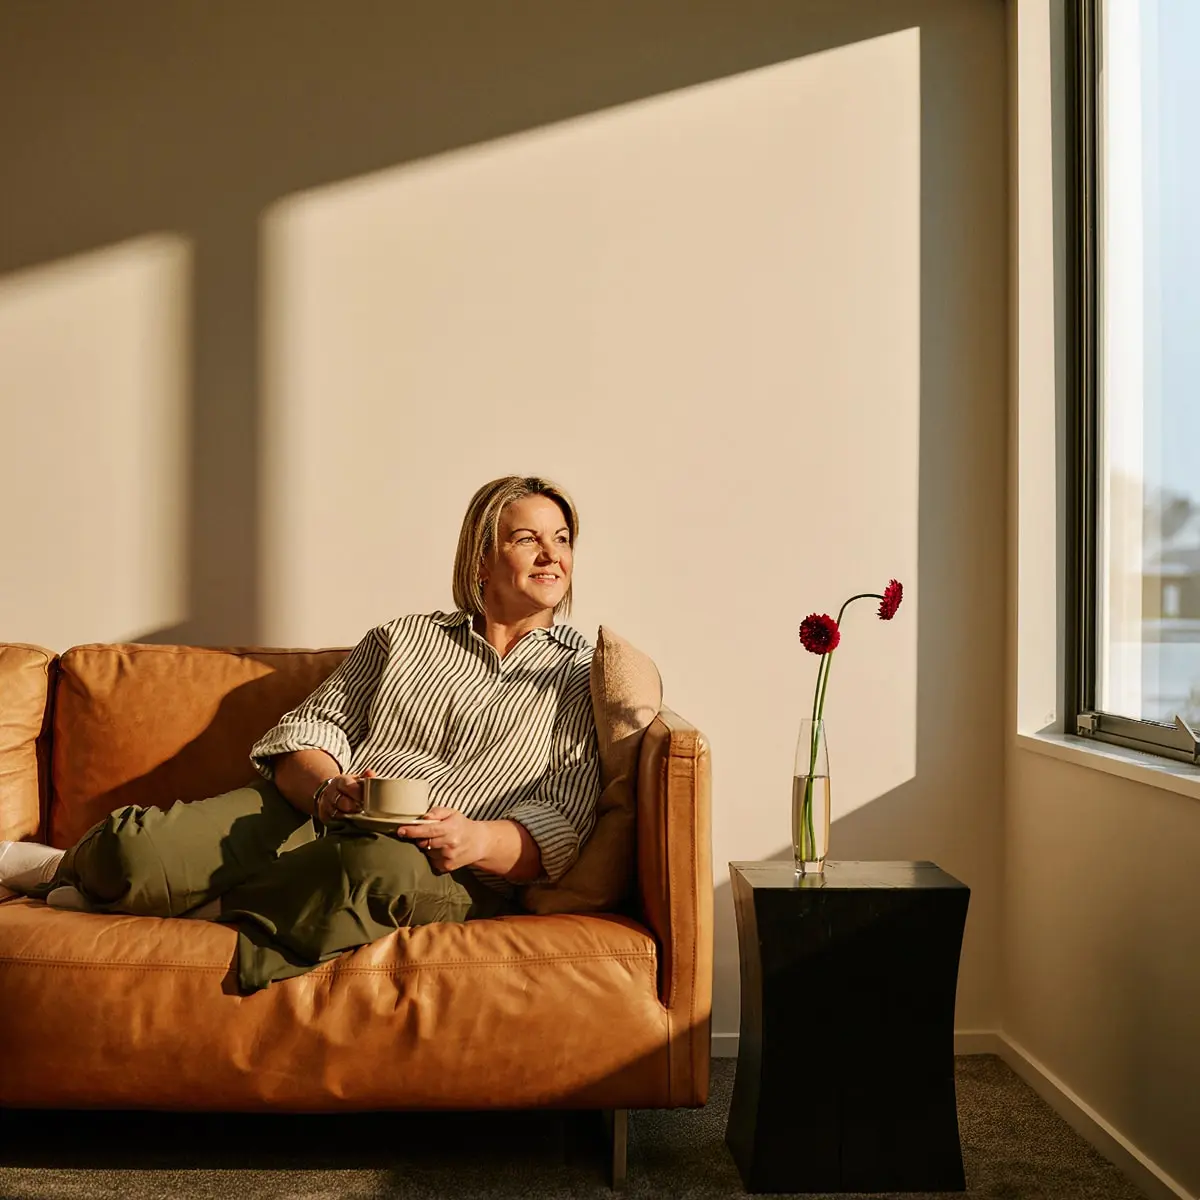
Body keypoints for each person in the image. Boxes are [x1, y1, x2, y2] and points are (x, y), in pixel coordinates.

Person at [0, 475, 600, 993]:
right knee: (134, 850)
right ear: (480, 560)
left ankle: (194, 905)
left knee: (371, 871)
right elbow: (310, 727)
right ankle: (62, 870)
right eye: (527, 539)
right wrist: (328, 787)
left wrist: (476, 840)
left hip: (442, 868)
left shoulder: (579, 676)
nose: (552, 555)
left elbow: (563, 818)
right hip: (320, 814)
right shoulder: (406, 637)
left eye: (562, 539)